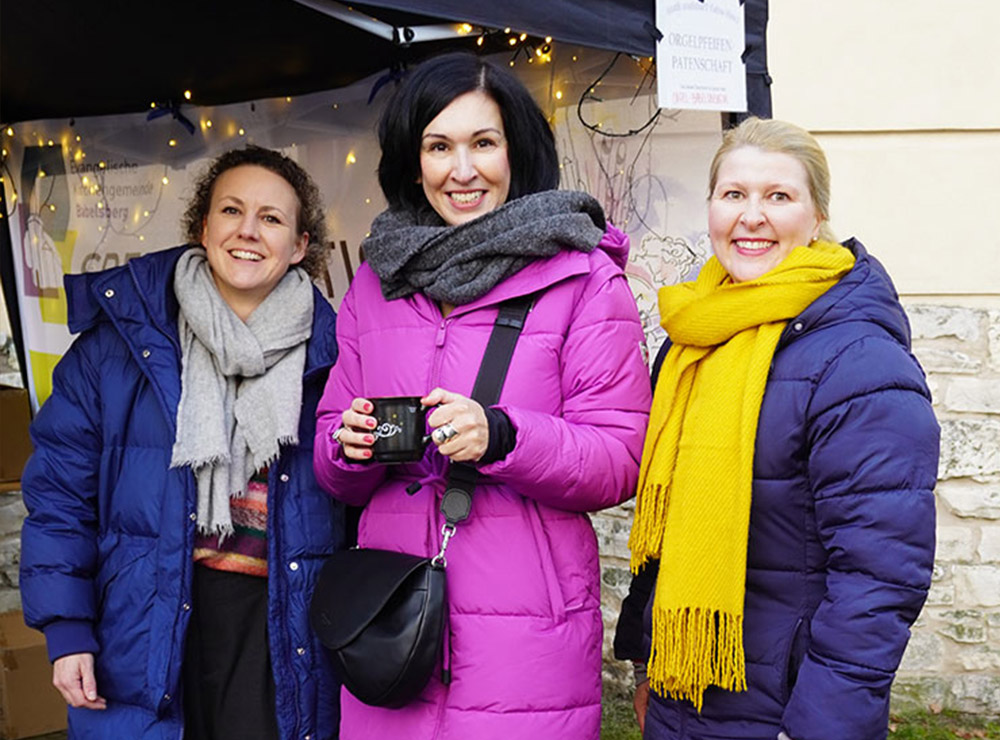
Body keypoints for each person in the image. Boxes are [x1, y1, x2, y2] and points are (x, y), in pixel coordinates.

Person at [312, 52, 651, 739]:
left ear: (516, 152)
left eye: (482, 143)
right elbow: (332, 465)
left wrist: (503, 436)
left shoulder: (582, 277)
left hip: (526, 641)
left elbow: (621, 456)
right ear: (414, 163)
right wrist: (348, 448)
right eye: (439, 146)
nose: (461, 170)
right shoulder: (378, 281)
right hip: (392, 622)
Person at [615, 117, 939, 740]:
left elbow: (878, 580)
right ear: (710, 207)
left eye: (779, 196)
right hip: (684, 695)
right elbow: (666, 536)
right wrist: (647, 664)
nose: (751, 216)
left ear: (816, 216)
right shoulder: (692, 339)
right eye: (733, 194)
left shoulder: (859, 362)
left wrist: (822, 726)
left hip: (784, 711)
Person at [19, 146, 344, 739]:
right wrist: (67, 628)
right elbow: (61, 497)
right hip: (145, 623)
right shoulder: (115, 347)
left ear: (300, 246)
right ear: (203, 226)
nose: (248, 230)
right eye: (231, 210)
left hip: (286, 627)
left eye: (271, 218)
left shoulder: (338, 356)